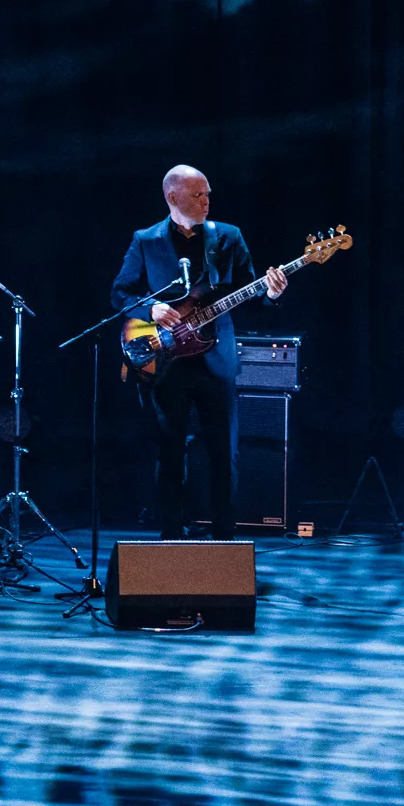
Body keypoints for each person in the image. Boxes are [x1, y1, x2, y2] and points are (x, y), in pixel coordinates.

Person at [111, 166, 288, 540]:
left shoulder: (227, 236)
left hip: (216, 361)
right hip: (168, 363)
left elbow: (250, 294)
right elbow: (120, 293)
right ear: (172, 198)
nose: (207, 201)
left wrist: (271, 294)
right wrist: (151, 309)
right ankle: (172, 536)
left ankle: (225, 537)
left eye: (208, 193)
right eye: (197, 195)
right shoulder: (146, 240)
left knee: (225, 455)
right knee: (170, 455)